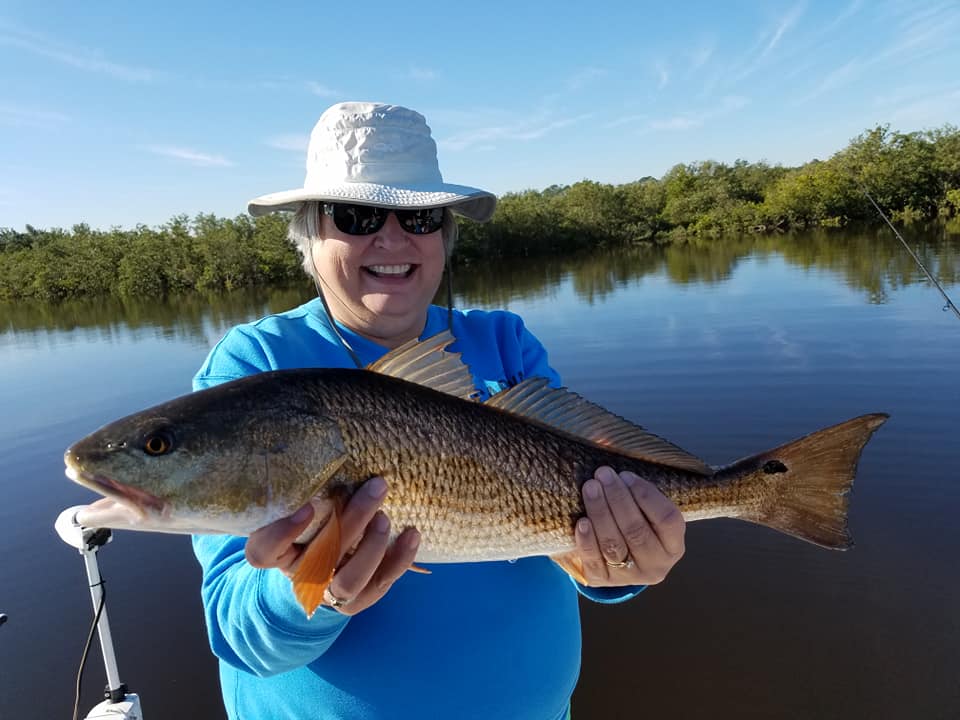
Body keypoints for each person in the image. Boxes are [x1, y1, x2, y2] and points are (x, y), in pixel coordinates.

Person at [192, 101, 686, 719]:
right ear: (310, 234)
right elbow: (240, 636)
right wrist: (306, 591)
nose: (393, 238)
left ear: (446, 237)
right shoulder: (257, 366)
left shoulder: (505, 343)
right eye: (358, 214)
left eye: (421, 217)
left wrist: (622, 564)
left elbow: (582, 523)